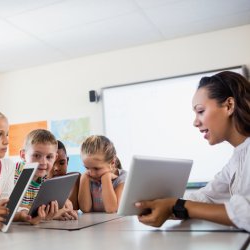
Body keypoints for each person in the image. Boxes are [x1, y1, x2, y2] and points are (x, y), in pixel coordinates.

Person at [135, 71, 250, 232]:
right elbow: (207, 197)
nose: (195, 122)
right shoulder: (239, 155)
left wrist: (176, 205)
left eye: (201, 111)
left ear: (229, 106)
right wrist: (165, 206)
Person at [15, 129, 77, 224]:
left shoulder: (46, 180)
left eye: (49, 157)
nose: (43, 163)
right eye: (36, 155)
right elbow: (12, 207)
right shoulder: (14, 174)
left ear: (55, 158)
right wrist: (44, 212)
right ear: (23, 155)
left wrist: (62, 206)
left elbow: (36, 209)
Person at [78, 135, 127, 213]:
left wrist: (106, 178)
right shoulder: (87, 177)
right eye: (87, 168)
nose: (92, 174)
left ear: (112, 163)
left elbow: (111, 209)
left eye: (96, 168)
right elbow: (85, 209)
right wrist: (84, 178)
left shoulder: (123, 178)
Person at [48, 140, 80, 210]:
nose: (57, 168)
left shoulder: (75, 179)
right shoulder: (36, 186)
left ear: (67, 161)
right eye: (52, 163)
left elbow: (73, 208)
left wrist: (75, 182)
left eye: (62, 163)